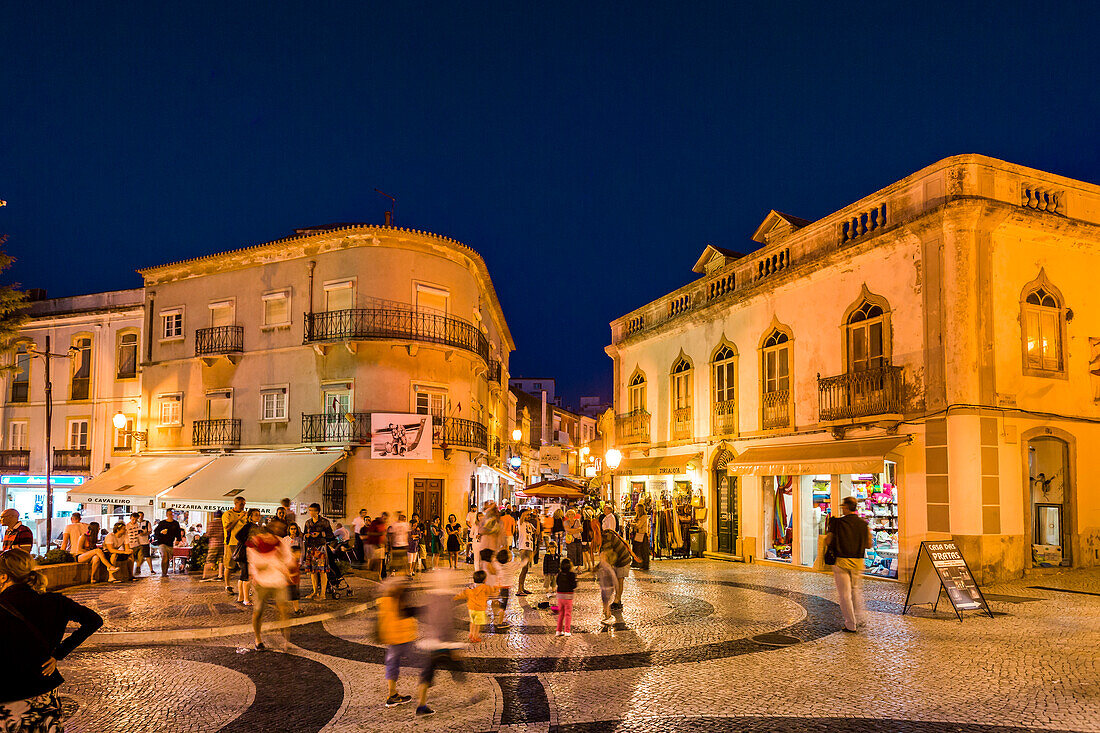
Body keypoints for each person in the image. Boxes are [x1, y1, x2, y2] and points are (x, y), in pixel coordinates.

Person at [0, 550, 103, 731]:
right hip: (44, 694)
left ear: (3, 577)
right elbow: (94, 620)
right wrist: (58, 653)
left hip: (7, 700)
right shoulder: (54, 601)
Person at [415, 570, 467, 717]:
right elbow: (446, 624)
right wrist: (454, 647)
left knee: (426, 675)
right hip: (442, 644)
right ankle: (472, 696)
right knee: (459, 672)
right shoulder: (445, 601)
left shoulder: (430, 598)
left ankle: (421, 705)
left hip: (430, 643)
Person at [825, 496, 873, 633]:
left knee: (844, 594)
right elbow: (869, 544)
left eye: (843, 507)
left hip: (841, 561)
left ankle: (850, 624)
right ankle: (860, 618)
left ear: (846, 507)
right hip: (858, 561)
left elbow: (828, 541)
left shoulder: (837, 523)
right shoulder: (864, 524)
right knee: (855, 590)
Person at [247, 522, 293, 650]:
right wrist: (273, 561)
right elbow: (257, 565)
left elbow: (288, 559)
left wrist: (281, 561)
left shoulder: (279, 542)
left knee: (283, 609)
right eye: (265, 536)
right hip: (261, 583)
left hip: (278, 581)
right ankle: (258, 639)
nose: (268, 538)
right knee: (258, 611)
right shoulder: (254, 544)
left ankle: (286, 640)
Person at [599, 529, 638, 618]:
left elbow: (608, 556)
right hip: (618, 560)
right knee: (617, 579)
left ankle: (618, 600)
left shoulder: (607, 538)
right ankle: (617, 599)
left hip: (623, 560)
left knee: (620, 580)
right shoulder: (604, 538)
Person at [302, 503, 335, 599]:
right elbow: (304, 534)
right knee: (313, 571)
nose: (311, 512)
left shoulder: (324, 522)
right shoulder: (308, 522)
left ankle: (323, 593)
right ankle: (315, 591)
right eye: (310, 510)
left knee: (322, 571)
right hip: (311, 548)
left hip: (320, 548)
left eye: (313, 510)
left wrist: (320, 534)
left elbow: (331, 535)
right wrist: (306, 536)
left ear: (317, 511)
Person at [454, 569, 496, 643]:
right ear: (484, 579)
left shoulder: (470, 588)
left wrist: (456, 597)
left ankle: (471, 633)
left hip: (471, 608)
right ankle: (475, 637)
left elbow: (463, 594)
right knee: (477, 624)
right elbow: (492, 591)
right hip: (479, 609)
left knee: (472, 622)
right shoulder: (485, 587)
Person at [234, 509, 261, 605]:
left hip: (248, 554)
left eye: (259, 515)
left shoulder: (255, 526)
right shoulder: (248, 526)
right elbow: (238, 535)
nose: (258, 516)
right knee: (246, 576)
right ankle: (246, 599)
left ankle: (241, 597)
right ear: (250, 517)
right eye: (256, 515)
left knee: (243, 576)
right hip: (245, 554)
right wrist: (247, 543)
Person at [222, 496, 248, 593]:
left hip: (242, 544)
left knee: (244, 566)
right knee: (229, 566)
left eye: (244, 504)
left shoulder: (245, 515)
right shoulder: (227, 514)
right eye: (241, 504)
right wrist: (239, 518)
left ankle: (244, 586)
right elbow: (228, 528)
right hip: (230, 543)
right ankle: (227, 585)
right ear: (235, 503)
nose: (243, 506)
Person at [493, 548, 521, 629]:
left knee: (498, 605)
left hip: (498, 587)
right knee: (503, 607)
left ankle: (497, 620)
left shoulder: (497, 564)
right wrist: (527, 558)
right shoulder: (510, 565)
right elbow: (521, 564)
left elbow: (494, 560)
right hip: (505, 589)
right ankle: (500, 623)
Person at [153, 509, 184, 577]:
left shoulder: (176, 523)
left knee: (168, 558)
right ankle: (164, 573)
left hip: (170, 543)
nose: (171, 515)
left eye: (172, 514)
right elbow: (156, 532)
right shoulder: (162, 523)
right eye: (170, 514)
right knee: (165, 556)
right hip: (162, 542)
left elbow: (178, 533)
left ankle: (165, 572)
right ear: (166, 515)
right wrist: (161, 532)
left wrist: (178, 540)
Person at [515, 510, 536, 595]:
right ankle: (519, 589)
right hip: (523, 547)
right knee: (524, 569)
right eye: (527, 515)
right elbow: (522, 517)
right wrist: (526, 511)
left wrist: (536, 518)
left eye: (529, 515)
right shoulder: (521, 523)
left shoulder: (530, 524)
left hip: (529, 547)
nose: (529, 516)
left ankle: (522, 588)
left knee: (526, 568)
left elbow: (537, 531)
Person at [555, 557, 577, 636]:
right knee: (568, 614)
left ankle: (558, 630)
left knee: (561, 614)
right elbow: (574, 585)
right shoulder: (572, 575)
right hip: (568, 596)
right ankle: (567, 631)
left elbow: (557, 582)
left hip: (560, 596)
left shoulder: (559, 574)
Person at [202, 511, 225, 582]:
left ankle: (206, 576)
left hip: (213, 544)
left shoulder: (211, 523)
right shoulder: (223, 524)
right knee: (221, 559)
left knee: (210, 559)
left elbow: (208, 534)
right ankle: (220, 575)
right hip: (222, 543)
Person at [286, 521, 303, 615]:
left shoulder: (299, 540)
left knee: (294, 593)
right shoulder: (285, 539)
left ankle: (296, 609)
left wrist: (300, 561)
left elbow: (302, 551)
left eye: (294, 529)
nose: (293, 530)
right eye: (291, 529)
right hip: (287, 564)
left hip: (296, 563)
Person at [388, 512, 411, 577]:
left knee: (405, 560)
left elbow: (408, 534)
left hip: (404, 544)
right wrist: (390, 545)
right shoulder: (394, 525)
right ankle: (392, 572)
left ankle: (407, 573)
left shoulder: (406, 524)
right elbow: (391, 536)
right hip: (396, 544)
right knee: (395, 560)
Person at [124, 512, 146, 577]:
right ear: (130, 518)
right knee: (132, 560)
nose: (134, 521)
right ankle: (131, 574)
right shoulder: (126, 526)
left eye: (135, 520)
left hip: (138, 544)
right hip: (130, 545)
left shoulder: (138, 525)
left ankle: (138, 567)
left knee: (141, 557)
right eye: (133, 519)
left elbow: (141, 532)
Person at [596, 556, 616, 626]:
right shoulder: (603, 567)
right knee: (605, 602)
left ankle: (607, 616)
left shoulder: (608, 568)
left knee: (606, 602)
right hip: (604, 588)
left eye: (602, 558)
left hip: (607, 588)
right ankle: (607, 614)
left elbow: (614, 578)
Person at [539, 541, 560, 609]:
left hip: (554, 571)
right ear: (549, 548)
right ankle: (547, 591)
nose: (552, 549)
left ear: (555, 548)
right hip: (548, 571)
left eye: (553, 547)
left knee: (554, 581)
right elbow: (545, 564)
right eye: (550, 547)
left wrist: (558, 570)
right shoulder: (547, 556)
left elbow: (558, 564)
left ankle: (553, 590)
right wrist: (545, 571)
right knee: (547, 581)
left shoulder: (557, 556)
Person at [632, 504, 651, 571]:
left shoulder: (644, 517)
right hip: (638, 535)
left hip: (642, 535)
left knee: (643, 551)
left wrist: (632, 524)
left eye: (636, 507)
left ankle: (645, 565)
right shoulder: (638, 516)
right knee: (637, 550)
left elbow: (639, 526)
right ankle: (638, 563)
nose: (634, 508)